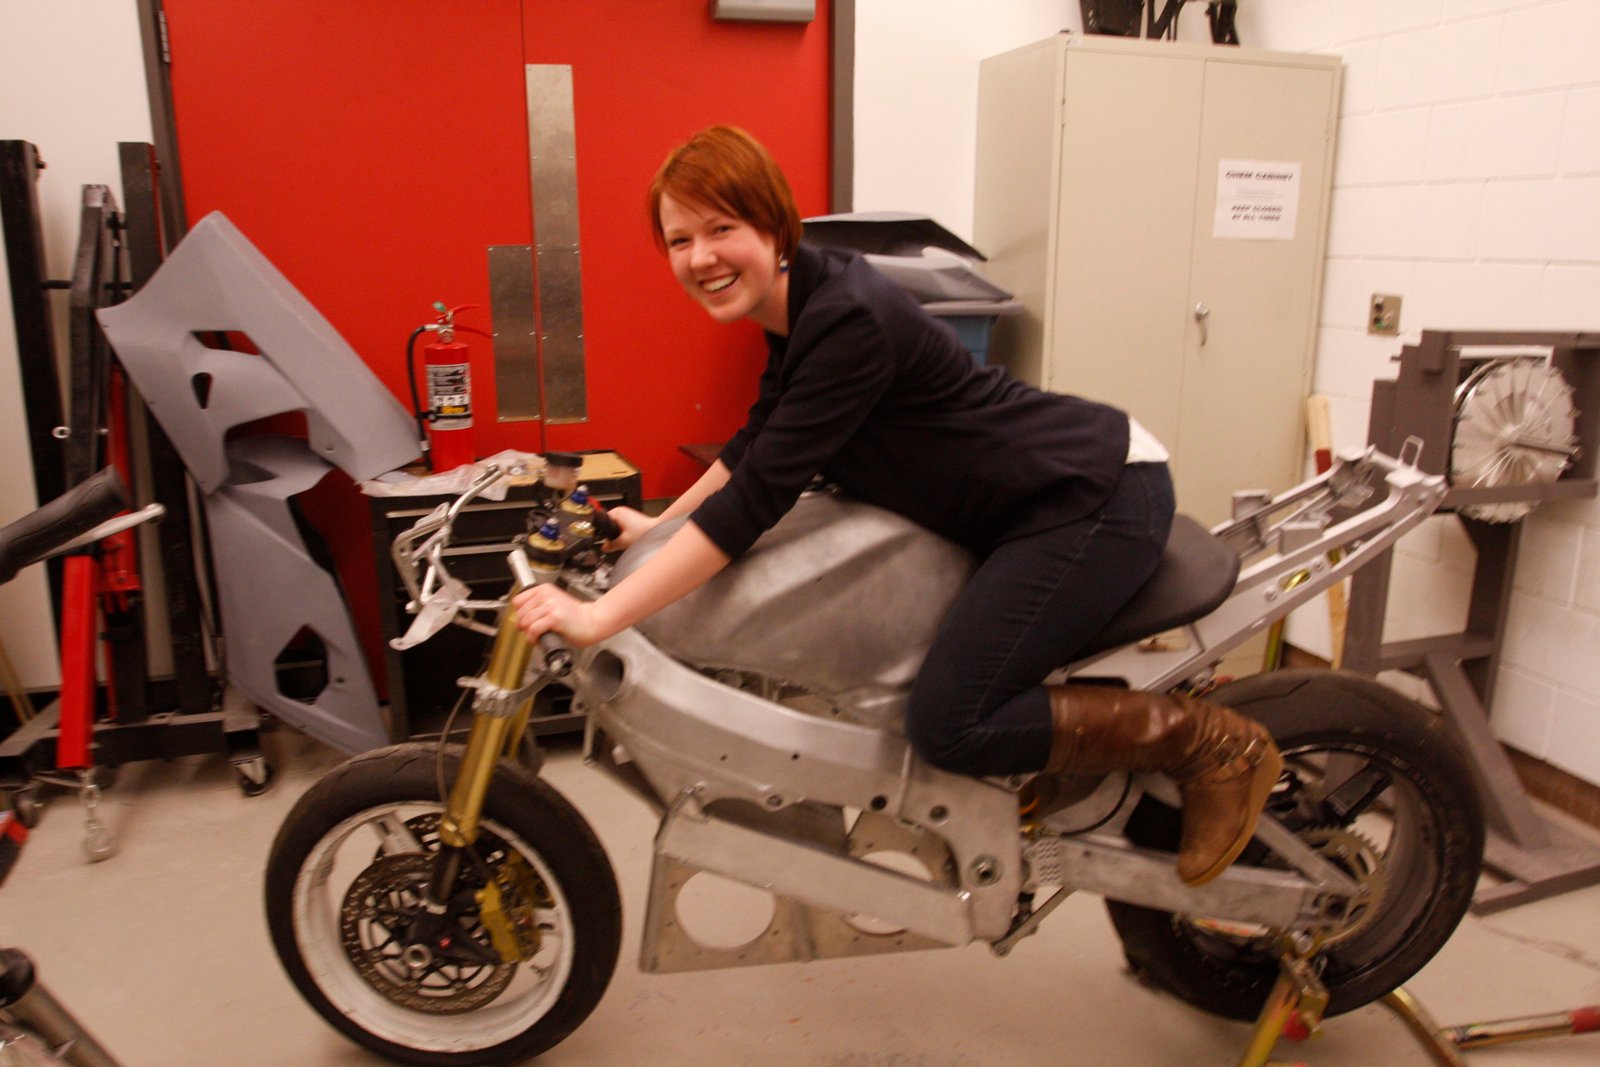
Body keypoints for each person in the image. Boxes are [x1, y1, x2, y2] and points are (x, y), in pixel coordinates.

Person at [513, 125, 1281, 886]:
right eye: (680, 240)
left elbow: (754, 502)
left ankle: (1209, 740)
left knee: (951, 718)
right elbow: (757, 443)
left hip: (1092, 496)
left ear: (772, 224)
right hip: (1024, 501)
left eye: (722, 228)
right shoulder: (802, 302)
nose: (701, 257)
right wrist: (661, 526)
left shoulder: (847, 318)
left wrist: (600, 618)